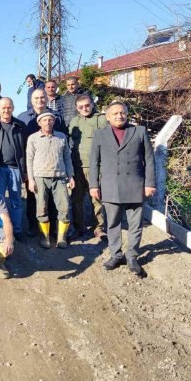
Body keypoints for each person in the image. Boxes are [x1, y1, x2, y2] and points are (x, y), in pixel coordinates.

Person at [89, 101, 155, 276]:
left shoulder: (139, 131)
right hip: (110, 186)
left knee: (135, 224)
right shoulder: (100, 134)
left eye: (122, 112)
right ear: (108, 117)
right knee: (112, 224)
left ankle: (132, 256)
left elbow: (149, 159)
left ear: (127, 114)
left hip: (135, 185)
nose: (119, 116)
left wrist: (150, 183)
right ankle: (116, 254)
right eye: (115, 113)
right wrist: (94, 185)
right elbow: (94, 162)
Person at [17, 88, 63, 237]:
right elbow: (21, 144)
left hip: (53, 165)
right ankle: (33, 226)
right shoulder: (23, 118)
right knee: (32, 197)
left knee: (52, 199)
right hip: (33, 167)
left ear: (46, 99)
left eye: (42, 97)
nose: (40, 100)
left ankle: (53, 228)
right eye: (36, 98)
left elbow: (62, 140)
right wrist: (25, 169)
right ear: (31, 100)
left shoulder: (56, 117)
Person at [26, 111, 75, 249]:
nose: (48, 122)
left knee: (64, 207)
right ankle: (45, 237)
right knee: (41, 208)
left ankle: (61, 238)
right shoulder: (33, 138)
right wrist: (31, 179)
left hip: (60, 177)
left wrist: (70, 176)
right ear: (39, 123)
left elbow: (67, 158)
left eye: (50, 120)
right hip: (40, 177)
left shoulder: (61, 137)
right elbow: (29, 160)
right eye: (44, 120)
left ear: (54, 122)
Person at [68, 94, 108, 240]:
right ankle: (79, 228)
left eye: (87, 105)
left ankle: (100, 228)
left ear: (92, 104)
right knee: (77, 199)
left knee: (96, 198)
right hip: (77, 166)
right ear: (76, 108)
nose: (84, 108)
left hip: (95, 167)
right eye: (81, 107)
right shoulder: (74, 121)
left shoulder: (101, 119)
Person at [0, 97, 26, 242]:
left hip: (15, 168)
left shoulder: (20, 125)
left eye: (9, 107)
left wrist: (25, 170)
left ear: (13, 108)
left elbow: (25, 149)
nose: (6, 110)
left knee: (16, 200)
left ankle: (16, 230)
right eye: (3, 107)